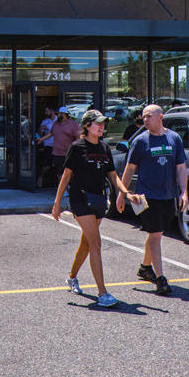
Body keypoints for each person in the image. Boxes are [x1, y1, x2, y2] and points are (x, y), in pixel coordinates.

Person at [50, 108, 143, 308]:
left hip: (99, 201)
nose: (102, 126)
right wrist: (57, 203)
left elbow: (113, 176)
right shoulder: (77, 147)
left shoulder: (104, 148)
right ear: (87, 126)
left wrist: (126, 193)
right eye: (98, 123)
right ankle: (103, 293)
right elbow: (66, 176)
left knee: (87, 243)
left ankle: (72, 277)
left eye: (103, 123)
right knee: (96, 243)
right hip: (80, 200)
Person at [116, 103, 187, 296]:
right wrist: (121, 194)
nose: (145, 120)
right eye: (143, 116)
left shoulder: (174, 138)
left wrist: (184, 192)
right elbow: (129, 169)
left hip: (168, 195)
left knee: (156, 233)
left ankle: (145, 267)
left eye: (149, 116)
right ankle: (161, 278)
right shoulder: (140, 141)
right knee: (155, 235)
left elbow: (181, 168)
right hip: (146, 197)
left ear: (161, 117)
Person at [49, 107, 81, 186]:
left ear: (65, 115)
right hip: (57, 153)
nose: (58, 115)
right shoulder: (56, 124)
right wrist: (41, 139)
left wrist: (77, 149)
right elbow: (51, 133)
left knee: (69, 172)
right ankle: (63, 189)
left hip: (68, 153)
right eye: (58, 114)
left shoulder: (73, 124)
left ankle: (71, 187)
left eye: (60, 114)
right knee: (59, 172)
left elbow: (78, 137)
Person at [34, 105, 56, 187]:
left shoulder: (58, 120)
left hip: (58, 145)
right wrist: (40, 129)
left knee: (59, 165)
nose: (45, 113)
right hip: (48, 145)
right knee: (47, 165)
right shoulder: (45, 121)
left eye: (47, 111)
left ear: (52, 111)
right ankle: (41, 177)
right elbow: (39, 134)